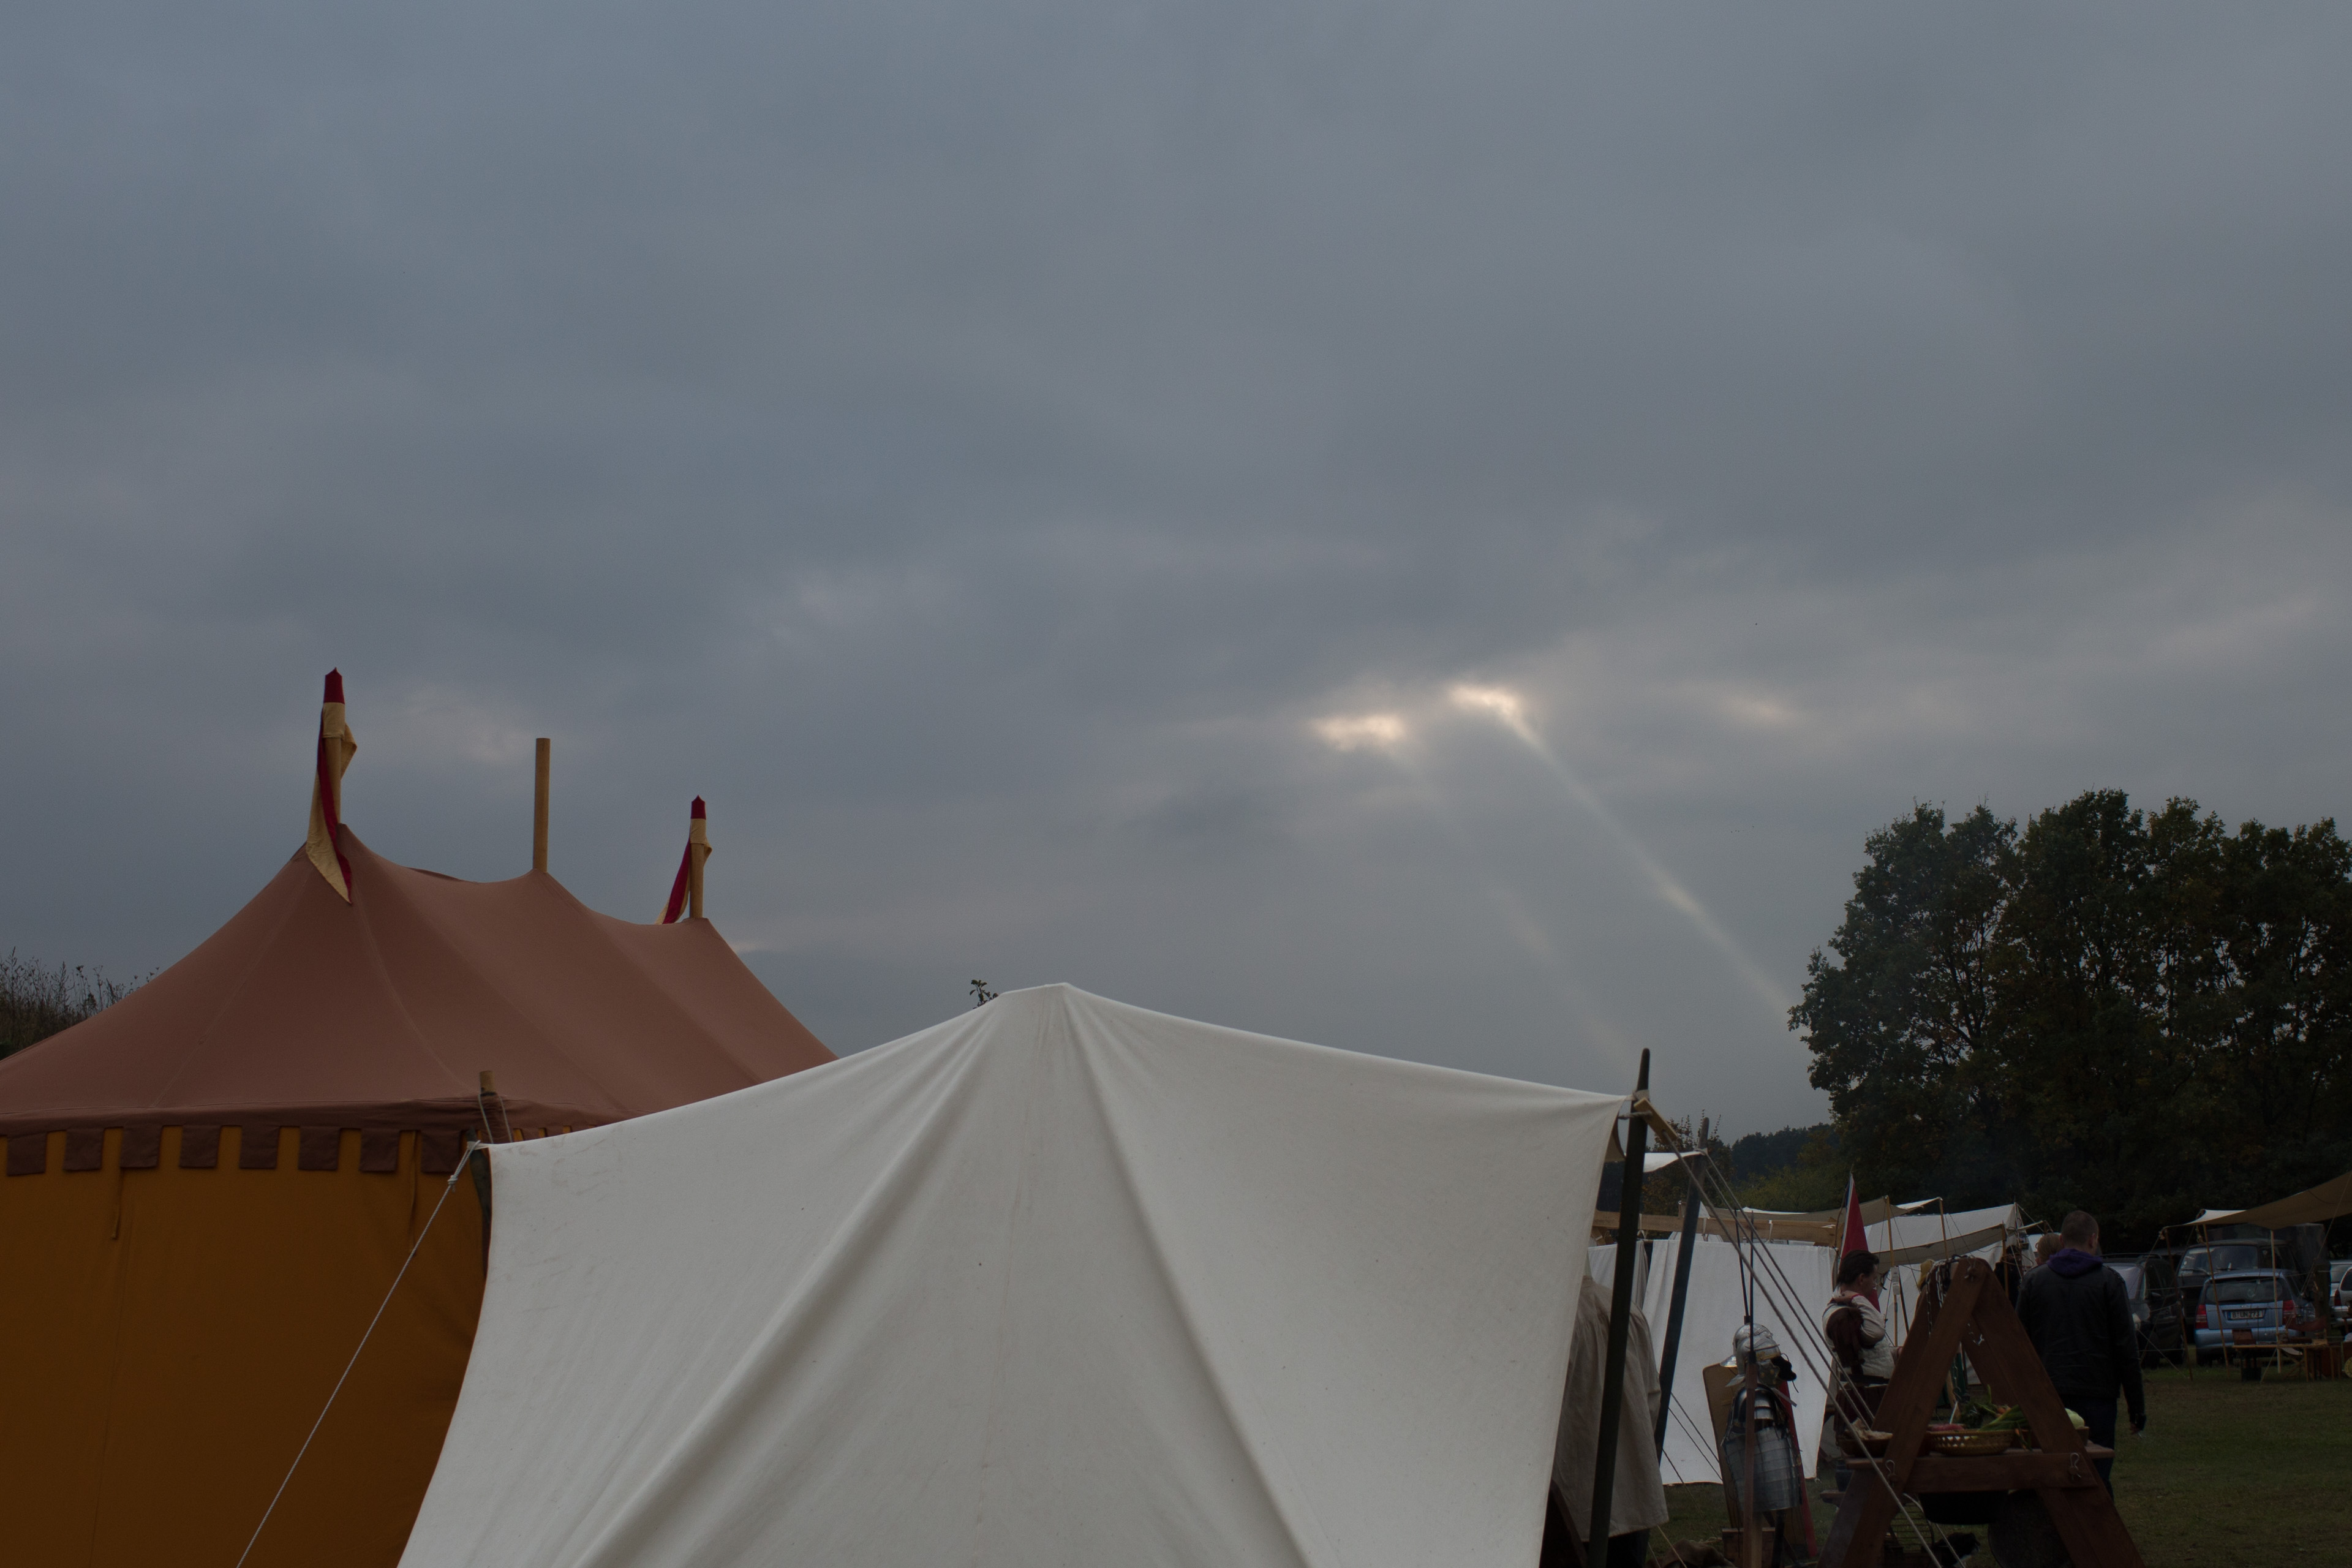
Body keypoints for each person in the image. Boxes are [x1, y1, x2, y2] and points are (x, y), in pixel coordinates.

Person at [2014, 1210, 2146, 1491]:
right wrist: (2137, 1408)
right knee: (2096, 1480)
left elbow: (2017, 1346)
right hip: (2097, 1395)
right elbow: (2127, 1350)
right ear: (2093, 1240)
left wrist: (2020, 1398)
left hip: (2048, 1393)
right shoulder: (2110, 1282)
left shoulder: (2034, 1281)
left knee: (2051, 1475)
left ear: (2062, 1241)